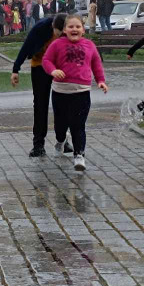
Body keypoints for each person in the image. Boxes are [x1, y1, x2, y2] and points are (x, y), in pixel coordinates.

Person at [41, 14, 108, 171]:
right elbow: (46, 60)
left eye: (78, 26)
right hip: (60, 92)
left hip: (82, 92)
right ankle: (60, 140)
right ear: (64, 29)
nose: (74, 29)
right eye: (70, 27)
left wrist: (101, 81)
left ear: (83, 30)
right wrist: (53, 71)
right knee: (61, 125)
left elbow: (96, 64)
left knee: (78, 125)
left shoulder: (90, 45)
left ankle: (79, 155)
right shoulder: (57, 44)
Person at [11, 14, 62, 157]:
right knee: (40, 104)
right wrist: (16, 69)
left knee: (63, 104)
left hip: (60, 68)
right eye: (59, 33)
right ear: (53, 26)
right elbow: (26, 46)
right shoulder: (41, 28)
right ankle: (38, 145)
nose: (60, 36)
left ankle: (63, 140)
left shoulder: (68, 28)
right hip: (40, 66)